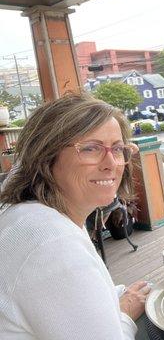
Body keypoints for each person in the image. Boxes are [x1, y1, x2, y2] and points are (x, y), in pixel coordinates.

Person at [0, 93, 150, 339]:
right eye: (91, 148)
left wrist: (122, 298)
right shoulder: (51, 243)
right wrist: (124, 312)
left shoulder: (35, 215)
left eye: (118, 148)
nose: (111, 163)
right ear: (46, 157)